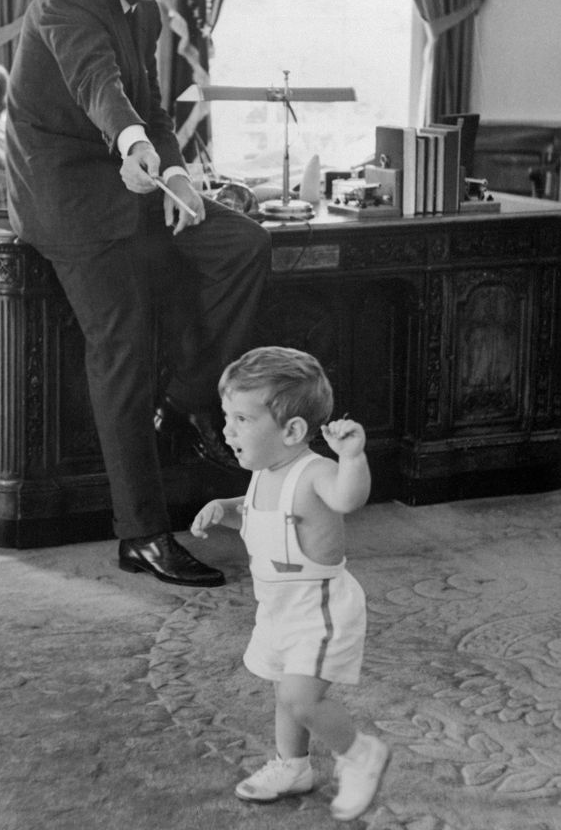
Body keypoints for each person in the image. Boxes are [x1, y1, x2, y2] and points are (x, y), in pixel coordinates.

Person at [5, 0, 271, 589]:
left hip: (138, 180)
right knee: (123, 345)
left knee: (243, 243)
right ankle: (142, 534)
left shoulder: (149, 12)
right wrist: (129, 142)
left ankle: (185, 397)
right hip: (68, 198)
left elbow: (151, 109)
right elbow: (101, 86)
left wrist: (179, 176)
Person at [190, 346, 389, 822]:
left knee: (303, 698)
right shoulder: (263, 473)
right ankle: (293, 766)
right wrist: (228, 505)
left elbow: (349, 497)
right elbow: (264, 506)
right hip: (276, 605)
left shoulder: (317, 472)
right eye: (227, 416)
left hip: (319, 607)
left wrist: (352, 457)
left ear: (293, 432)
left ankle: (361, 754)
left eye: (241, 419)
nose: (227, 429)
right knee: (284, 693)